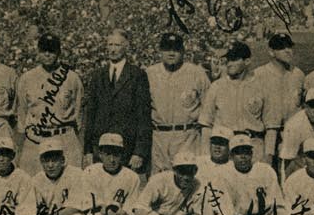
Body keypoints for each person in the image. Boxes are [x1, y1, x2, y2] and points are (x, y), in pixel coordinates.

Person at [83, 28, 154, 173]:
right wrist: (88, 150)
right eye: (110, 45)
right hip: (101, 149)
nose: (113, 50)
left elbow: (143, 116)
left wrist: (139, 152)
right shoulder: (97, 75)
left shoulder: (137, 75)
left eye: (117, 45)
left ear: (126, 47)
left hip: (126, 149)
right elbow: (90, 115)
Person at [146, 31, 210, 172]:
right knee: (160, 182)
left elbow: (209, 108)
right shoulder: (150, 73)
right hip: (159, 137)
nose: (171, 53)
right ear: (160, 51)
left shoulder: (196, 72)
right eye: (167, 49)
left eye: (176, 49)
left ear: (183, 51)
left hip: (187, 135)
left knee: (188, 179)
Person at [19, 34, 85, 171]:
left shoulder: (72, 78)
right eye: (44, 51)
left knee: (72, 182)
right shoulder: (27, 78)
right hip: (35, 139)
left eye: (52, 51)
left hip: (64, 137)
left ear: (59, 52)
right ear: (38, 52)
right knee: (32, 184)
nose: (47, 54)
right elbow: (22, 113)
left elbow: (78, 114)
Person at [200, 40, 267, 161]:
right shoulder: (217, 86)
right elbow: (206, 124)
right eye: (228, 59)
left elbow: (270, 125)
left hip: (252, 145)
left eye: (235, 59)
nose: (229, 63)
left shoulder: (261, 86)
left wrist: (268, 156)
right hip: (225, 146)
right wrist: (205, 156)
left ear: (247, 61)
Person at [252, 31, 304, 164]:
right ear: (271, 52)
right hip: (264, 136)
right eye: (281, 48)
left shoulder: (298, 75)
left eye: (289, 47)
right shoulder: (259, 74)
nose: (287, 51)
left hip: (291, 136)